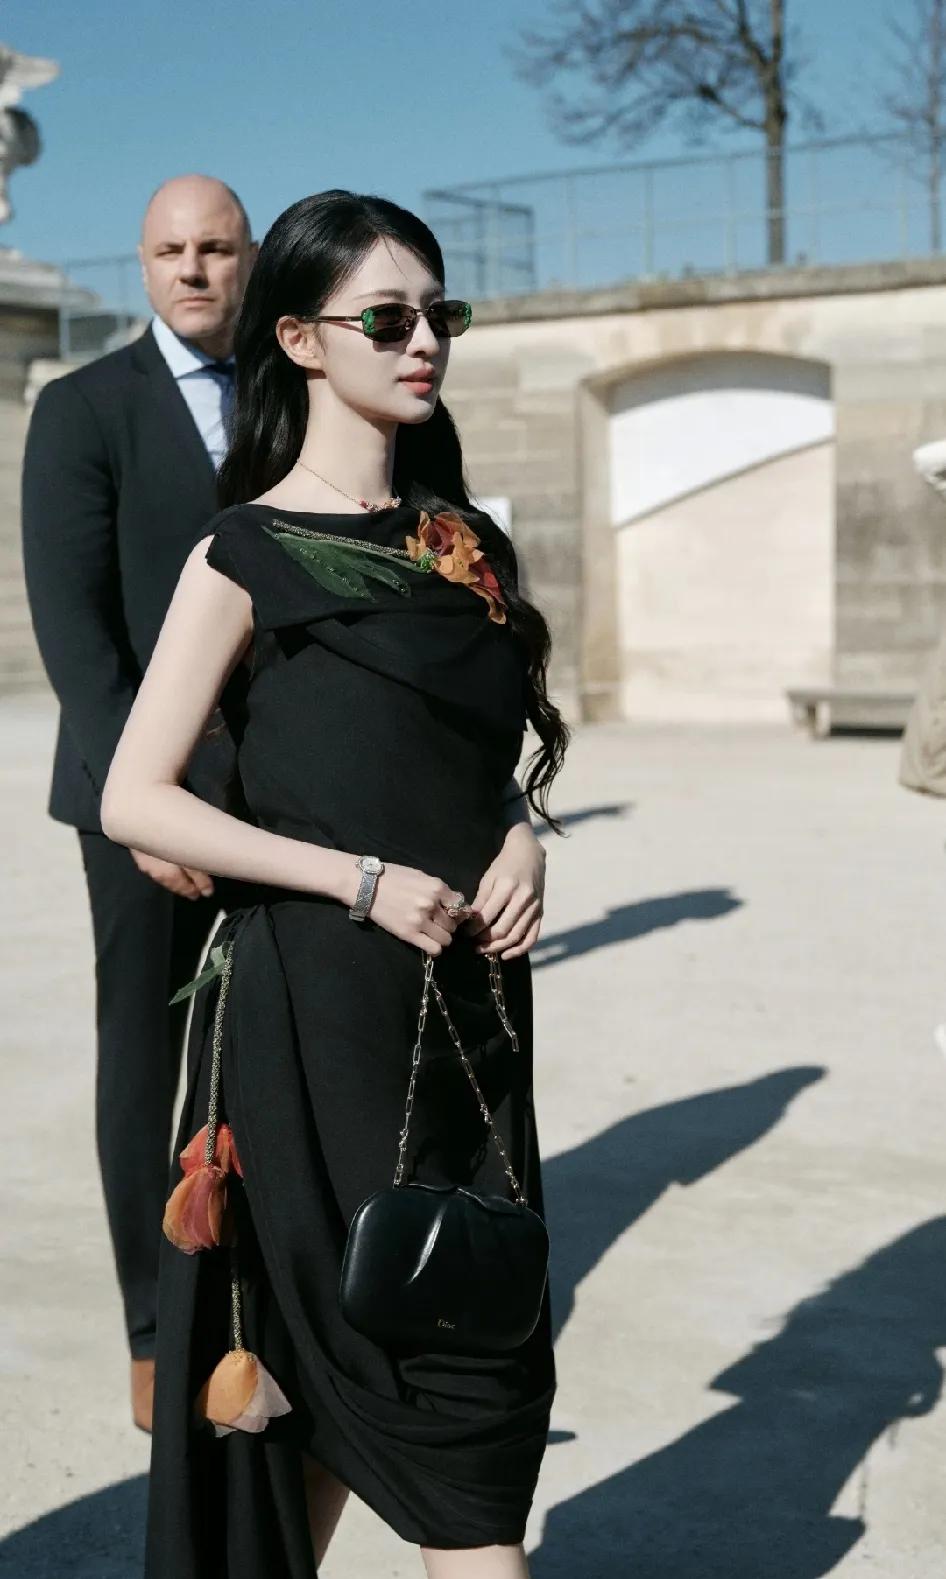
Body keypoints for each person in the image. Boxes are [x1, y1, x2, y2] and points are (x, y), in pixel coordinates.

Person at [100, 189, 569, 1578]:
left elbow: (476, 768)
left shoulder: (464, 544)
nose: (424, 340)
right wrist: (356, 881)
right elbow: (137, 795)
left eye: (440, 314)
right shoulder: (240, 549)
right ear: (300, 340)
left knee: (454, 1357)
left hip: (473, 1013)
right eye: (388, 318)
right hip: (315, 1022)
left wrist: (522, 836)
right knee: (365, 1375)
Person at [21, 175, 258, 1432]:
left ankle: (262, 1313)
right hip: (134, 799)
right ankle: (154, 1330)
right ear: (143, 263)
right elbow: (78, 636)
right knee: (145, 1061)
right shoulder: (82, 408)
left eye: (215, 247)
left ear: (250, 256)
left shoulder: (296, 393)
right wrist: (143, 803)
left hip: (281, 796)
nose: (194, 269)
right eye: (171, 251)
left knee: (268, 1054)